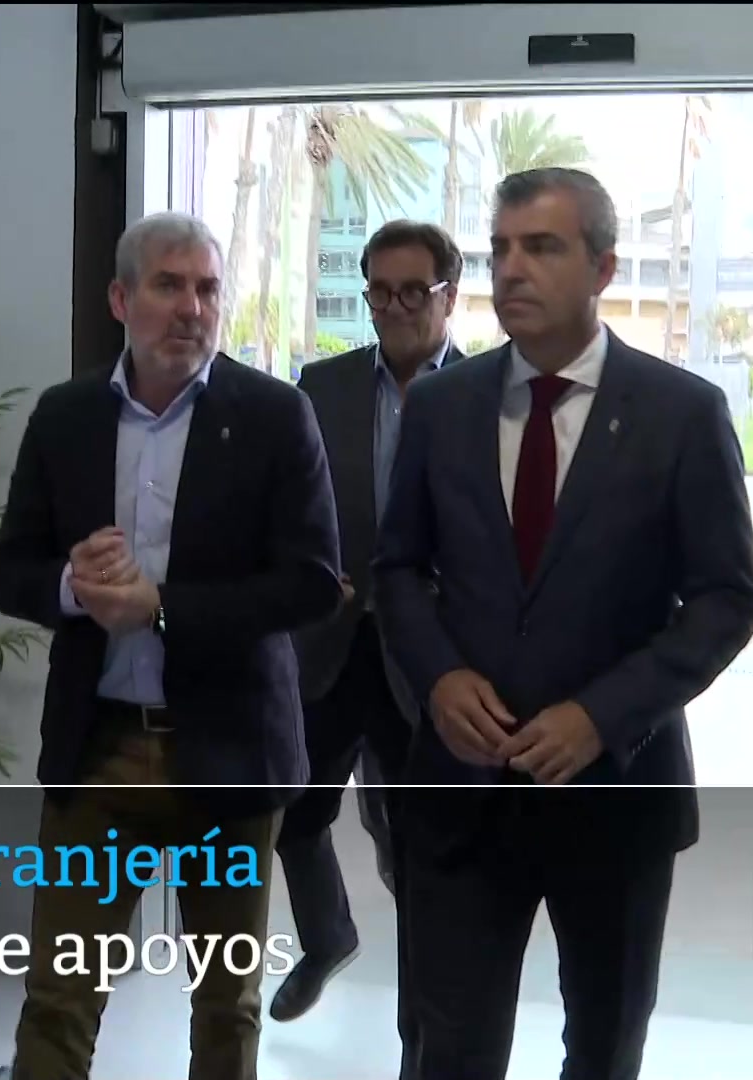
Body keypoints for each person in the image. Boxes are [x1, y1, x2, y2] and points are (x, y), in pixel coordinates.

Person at [373, 167, 753, 1080]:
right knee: (449, 1050)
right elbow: (396, 570)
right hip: (463, 795)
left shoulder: (680, 413)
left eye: (541, 247)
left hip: (616, 797)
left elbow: (726, 599)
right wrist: (438, 678)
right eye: (500, 249)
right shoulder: (441, 406)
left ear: (603, 268)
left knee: (603, 1047)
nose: (512, 269)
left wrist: (602, 715)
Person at [0, 211, 342, 1080]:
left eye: (208, 289)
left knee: (226, 1003)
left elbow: (311, 584)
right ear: (120, 298)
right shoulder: (65, 417)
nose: (192, 308)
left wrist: (162, 608)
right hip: (100, 748)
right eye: (169, 285)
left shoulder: (274, 415)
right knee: (58, 998)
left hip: (229, 751)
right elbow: (7, 570)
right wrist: (73, 587)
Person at [272, 220, 468, 1040]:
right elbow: (287, 502)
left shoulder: (487, 392)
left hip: (428, 659)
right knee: (291, 809)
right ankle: (328, 935)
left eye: (412, 292)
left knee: (416, 847)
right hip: (333, 641)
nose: (393, 308)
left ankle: (421, 1035)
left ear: (449, 295)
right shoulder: (323, 387)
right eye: (379, 292)